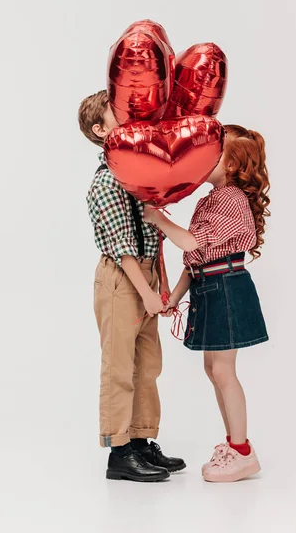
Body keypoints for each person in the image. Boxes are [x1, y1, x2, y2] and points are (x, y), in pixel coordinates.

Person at [144, 125, 270, 483]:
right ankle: (235, 445)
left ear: (231, 165)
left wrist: (158, 217)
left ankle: (243, 451)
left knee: (223, 371)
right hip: (208, 285)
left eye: (213, 153)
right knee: (213, 370)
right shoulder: (209, 199)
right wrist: (175, 299)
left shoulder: (231, 199)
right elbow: (195, 259)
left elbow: (188, 242)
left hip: (226, 287)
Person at [78, 90, 186, 482]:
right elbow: (123, 250)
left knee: (148, 364)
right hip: (123, 280)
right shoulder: (106, 183)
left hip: (146, 274)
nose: (127, 117)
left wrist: (159, 283)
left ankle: (142, 440)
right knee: (120, 365)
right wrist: (145, 293)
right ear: (99, 129)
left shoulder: (135, 175)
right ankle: (119, 452)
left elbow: (149, 232)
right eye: (116, 114)